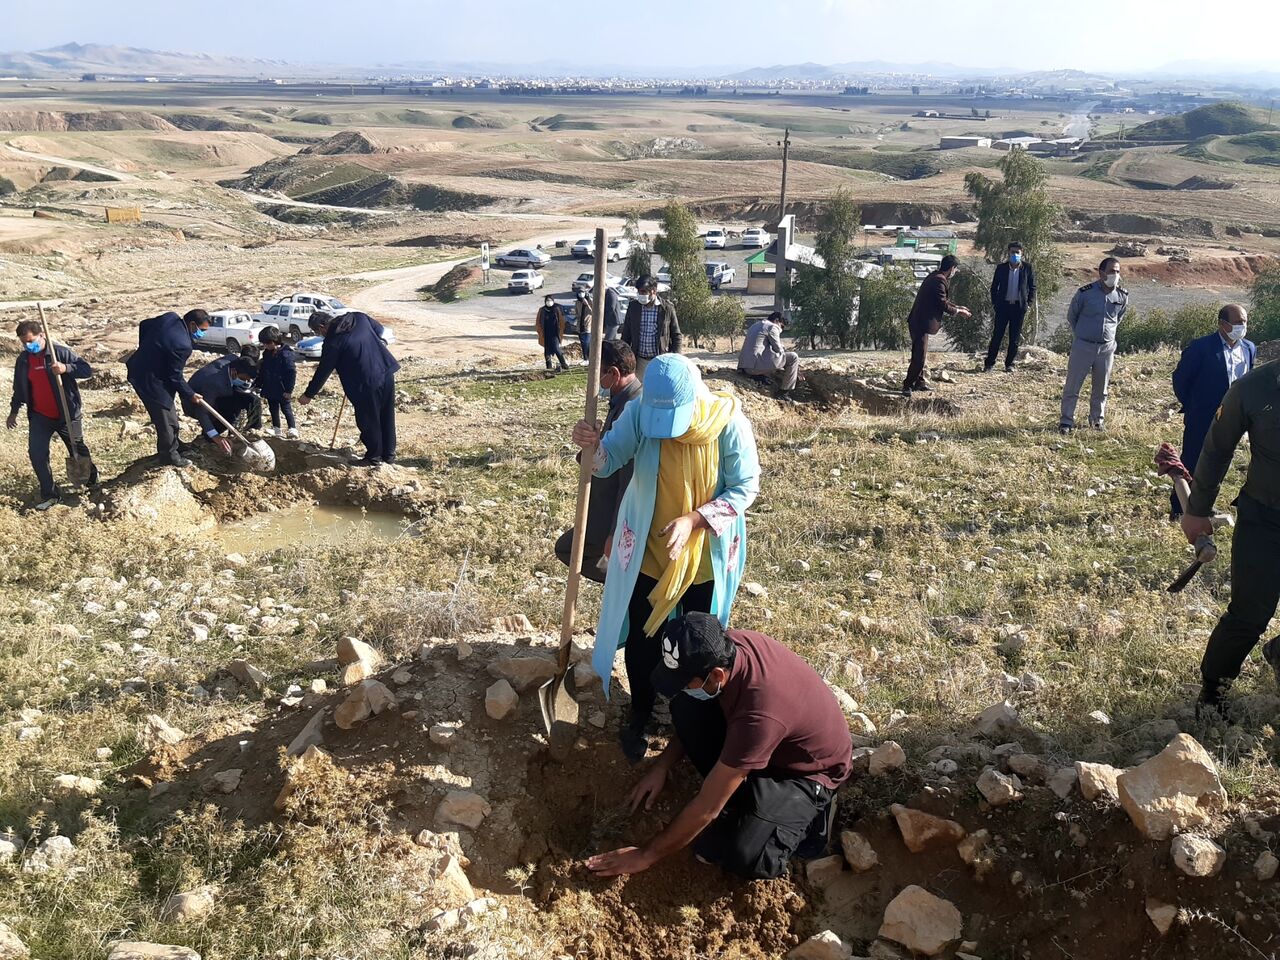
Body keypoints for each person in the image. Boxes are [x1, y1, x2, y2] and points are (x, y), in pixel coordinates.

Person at [571, 354, 760, 763]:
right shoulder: (640, 411)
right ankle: (640, 711)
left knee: (698, 647)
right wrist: (592, 446)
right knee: (642, 642)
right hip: (649, 551)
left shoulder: (726, 422)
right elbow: (607, 463)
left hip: (702, 557)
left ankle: (692, 721)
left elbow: (745, 488)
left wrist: (694, 520)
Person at [585, 612, 853, 880]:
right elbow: (695, 709)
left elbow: (706, 807)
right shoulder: (726, 650)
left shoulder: (759, 715)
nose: (681, 686)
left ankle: (816, 813)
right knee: (686, 705)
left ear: (716, 675)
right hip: (769, 741)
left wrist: (646, 855)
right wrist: (662, 766)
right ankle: (741, 796)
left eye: (684, 680)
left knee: (747, 856)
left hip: (807, 771)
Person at [1181, 359, 1280, 717]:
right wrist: (1197, 509)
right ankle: (1213, 692)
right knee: (1250, 613)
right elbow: (1218, 448)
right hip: (1266, 518)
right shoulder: (1254, 387)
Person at [555, 341, 642, 583]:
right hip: (603, 509)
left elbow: (629, 479)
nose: (593, 382)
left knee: (569, 549)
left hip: (609, 514)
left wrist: (616, 530)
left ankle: (629, 583)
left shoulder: (631, 408)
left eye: (597, 372)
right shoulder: (623, 400)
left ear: (613, 374)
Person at [1169, 305, 1256, 518]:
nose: (1241, 327)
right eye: (1237, 323)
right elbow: (1181, 380)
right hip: (1202, 415)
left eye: (1244, 322)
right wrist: (1193, 405)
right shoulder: (1201, 347)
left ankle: (1204, 505)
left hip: (1234, 417)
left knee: (1220, 461)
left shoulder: (1249, 348)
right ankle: (1180, 507)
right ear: (1222, 324)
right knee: (1193, 458)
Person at [6, 320, 97, 509]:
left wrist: (66, 368)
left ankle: (91, 481)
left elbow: (86, 370)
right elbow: (19, 389)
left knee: (77, 449)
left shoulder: (60, 353)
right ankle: (50, 494)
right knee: (37, 454)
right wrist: (14, 412)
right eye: (24, 343)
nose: (27, 345)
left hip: (66, 414)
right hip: (40, 416)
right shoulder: (23, 360)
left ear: (42, 336)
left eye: (30, 341)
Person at [298, 311, 400, 466]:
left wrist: (308, 394)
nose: (319, 335)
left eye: (317, 332)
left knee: (368, 419)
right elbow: (379, 330)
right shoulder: (358, 317)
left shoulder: (333, 342)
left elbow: (323, 371)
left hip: (365, 382)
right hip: (385, 371)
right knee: (386, 414)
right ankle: (389, 455)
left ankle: (374, 457)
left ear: (322, 326)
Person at [125, 309, 210, 467]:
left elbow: (145, 324)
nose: (202, 334)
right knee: (165, 416)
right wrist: (190, 394)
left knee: (170, 413)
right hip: (148, 379)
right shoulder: (183, 345)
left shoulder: (170, 318)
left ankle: (175, 443)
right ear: (192, 325)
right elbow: (175, 377)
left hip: (146, 368)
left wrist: (147, 349)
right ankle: (169, 455)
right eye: (202, 330)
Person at [1059, 258, 1128, 433]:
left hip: (1106, 348)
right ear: (1101, 272)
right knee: (1073, 386)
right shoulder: (1085, 293)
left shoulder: (1122, 296)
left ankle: (1097, 420)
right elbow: (1072, 316)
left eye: (1118, 271)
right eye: (1112, 271)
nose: (1116, 275)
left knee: (1101, 388)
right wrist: (1083, 334)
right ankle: (1066, 421)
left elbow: (1117, 319)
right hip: (1083, 346)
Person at [903, 255, 970, 394]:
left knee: (919, 354)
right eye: (955, 269)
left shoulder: (935, 276)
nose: (955, 272)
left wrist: (958, 306)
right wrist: (958, 311)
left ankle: (919, 383)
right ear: (952, 268)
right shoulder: (939, 281)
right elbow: (942, 304)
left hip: (918, 321)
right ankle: (907, 385)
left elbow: (941, 300)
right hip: (920, 323)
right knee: (919, 356)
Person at [181, 354, 262, 454]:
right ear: (234, 372)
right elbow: (202, 413)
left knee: (253, 400)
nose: (247, 382)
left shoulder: (233, 359)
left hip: (224, 390)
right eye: (244, 379)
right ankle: (210, 437)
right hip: (195, 403)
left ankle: (253, 431)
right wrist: (216, 437)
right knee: (230, 411)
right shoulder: (214, 383)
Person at [985, 241, 1036, 373]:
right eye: (1012, 252)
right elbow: (994, 287)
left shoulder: (1027, 268)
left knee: (1014, 338)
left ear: (1021, 253)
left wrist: (1028, 304)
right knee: (997, 336)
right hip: (1003, 307)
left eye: (1017, 252)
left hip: (1018, 308)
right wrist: (995, 303)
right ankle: (989, 364)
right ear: (1008, 252)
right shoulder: (1001, 268)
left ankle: (1009, 364)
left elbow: (1032, 287)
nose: (1015, 255)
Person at [621, 275, 682, 380]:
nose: (640, 295)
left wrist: (675, 359)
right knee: (639, 392)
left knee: (657, 391)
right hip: (639, 361)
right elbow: (626, 335)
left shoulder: (667, 308)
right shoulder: (633, 307)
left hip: (660, 360)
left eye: (643, 292)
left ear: (653, 291)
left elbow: (676, 335)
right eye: (639, 292)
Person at [738, 311, 800, 401]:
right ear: (777, 320)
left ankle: (760, 376)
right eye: (782, 326)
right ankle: (784, 392)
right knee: (793, 357)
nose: (781, 330)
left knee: (770, 354)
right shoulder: (772, 327)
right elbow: (778, 349)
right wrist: (797, 369)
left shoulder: (756, 325)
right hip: (754, 367)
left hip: (744, 366)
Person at [255, 326, 299, 439]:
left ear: (275, 341)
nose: (265, 346)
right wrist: (258, 385)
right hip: (270, 387)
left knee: (286, 408)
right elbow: (263, 370)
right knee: (273, 409)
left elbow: (291, 373)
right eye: (264, 344)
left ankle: (292, 429)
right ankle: (277, 430)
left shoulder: (286, 354)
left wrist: (289, 390)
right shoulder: (267, 354)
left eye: (267, 343)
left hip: (282, 388)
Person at [536, 295, 568, 372]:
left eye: (550, 300)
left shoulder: (556, 309)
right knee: (547, 350)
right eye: (547, 300)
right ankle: (549, 366)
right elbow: (538, 322)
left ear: (553, 301)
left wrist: (560, 332)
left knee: (556, 349)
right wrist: (540, 332)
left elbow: (561, 322)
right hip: (545, 334)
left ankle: (564, 364)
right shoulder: (542, 310)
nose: (549, 302)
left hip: (555, 334)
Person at [573, 290, 591, 364]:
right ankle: (585, 358)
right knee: (583, 343)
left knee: (586, 343)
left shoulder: (590, 301)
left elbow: (593, 312)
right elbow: (576, 312)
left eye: (582, 292)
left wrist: (587, 305)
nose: (581, 294)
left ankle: (588, 358)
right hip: (580, 326)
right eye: (579, 293)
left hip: (588, 325)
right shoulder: (577, 302)